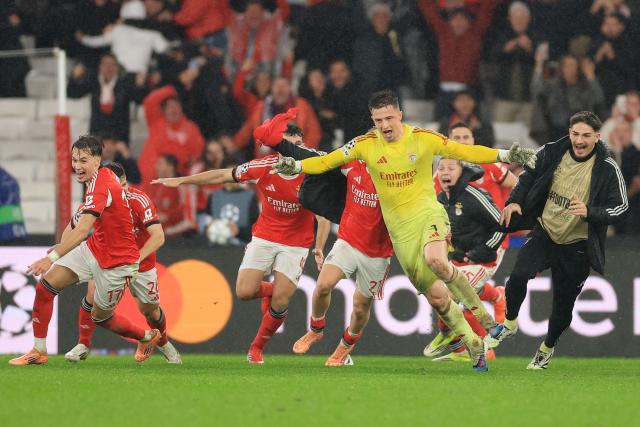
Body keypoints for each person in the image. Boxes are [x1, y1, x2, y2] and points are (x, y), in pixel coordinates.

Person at [271, 90, 537, 371]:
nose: (384, 125)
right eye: (378, 120)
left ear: (400, 115)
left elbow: (463, 151)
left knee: (438, 261)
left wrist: (505, 154)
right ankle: (473, 344)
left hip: (427, 215)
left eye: (389, 118)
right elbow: (327, 160)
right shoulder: (365, 145)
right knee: (438, 297)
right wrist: (298, 165)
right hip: (401, 234)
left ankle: (486, 322)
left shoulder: (422, 138)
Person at [152, 149, 331, 365]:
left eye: (295, 146)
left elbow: (323, 217)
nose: (289, 152)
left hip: (295, 243)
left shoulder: (313, 174)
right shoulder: (264, 167)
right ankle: (273, 291)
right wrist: (183, 180)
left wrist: (319, 246)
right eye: (285, 147)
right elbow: (222, 175)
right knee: (244, 292)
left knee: (281, 301)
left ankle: (256, 348)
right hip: (265, 236)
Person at [490, 111, 628, 369]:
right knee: (518, 276)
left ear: (597, 137)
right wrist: (514, 201)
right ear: (569, 133)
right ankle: (509, 322)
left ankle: (547, 348)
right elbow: (527, 176)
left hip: (577, 245)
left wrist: (590, 212)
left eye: (586, 135)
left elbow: (621, 207)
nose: (579, 140)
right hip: (545, 232)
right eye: (575, 134)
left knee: (563, 307)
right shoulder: (552, 151)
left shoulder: (607, 168)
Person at [254, 112, 393, 366]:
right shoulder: (350, 163)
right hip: (348, 240)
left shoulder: (394, 177)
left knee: (361, 307)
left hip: (378, 251)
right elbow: (315, 158)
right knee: (323, 286)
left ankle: (343, 349)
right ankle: (316, 330)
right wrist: (281, 147)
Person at [9, 135, 161, 366]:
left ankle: (146, 336)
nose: (77, 166)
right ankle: (38, 350)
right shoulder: (97, 179)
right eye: (74, 160)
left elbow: (81, 231)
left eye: (83, 160)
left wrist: (51, 257)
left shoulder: (102, 185)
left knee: (100, 318)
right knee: (46, 286)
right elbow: (77, 222)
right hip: (94, 250)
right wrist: (61, 246)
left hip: (118, 263)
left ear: (98, 160)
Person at [64, 162, 181, 364]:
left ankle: (163, 343)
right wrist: (60, 249)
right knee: (92, 296)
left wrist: (135, 259)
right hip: (108, 260)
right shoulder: (95, 202)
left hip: (141, 263)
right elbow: (72, 226)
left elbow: (158, 237)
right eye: (119, 187)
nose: (124, 191)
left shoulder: (139, 199)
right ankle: (83, 344)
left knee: (151, 311)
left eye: (125, 185)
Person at [424, 159, 506, 362]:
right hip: (457, 260)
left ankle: (449, 336)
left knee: (451, 297)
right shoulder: (441, 199)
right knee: (438, 298)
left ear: (461, 173)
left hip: (480, 262)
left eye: (451, 168)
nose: (445, 172)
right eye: (441, 168)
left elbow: (502, 225)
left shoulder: (474, 195)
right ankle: (460, 350)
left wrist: (480, 252)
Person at [67, 53, 147, 143]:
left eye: (112, 64)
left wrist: (140, 86)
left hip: (119, 137)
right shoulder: (94, 82)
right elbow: (72, 94)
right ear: (100, 67)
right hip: (97, 135)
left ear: (117, 68)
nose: (109, 68)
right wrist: (74, 77)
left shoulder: (125, 84)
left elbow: (140, 100)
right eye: (105, 64)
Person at [138, 84, 205, 184]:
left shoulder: (191, 128)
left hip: (177, 181)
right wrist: (172, 90)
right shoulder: (156, 122)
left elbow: (197, 154)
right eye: (169, 107)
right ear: (163, 110)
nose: (173, 110)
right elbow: (149, 102)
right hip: (151, 178)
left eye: (176, 106)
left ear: (182, 109)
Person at [146, 154, 197, 237]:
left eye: (160, 164)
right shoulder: (160, 187)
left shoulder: (181, 187)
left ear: (170, 167)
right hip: (163, 231)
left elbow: (185, 213)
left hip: (180, 233)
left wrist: (167, 216)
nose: (156, 167)